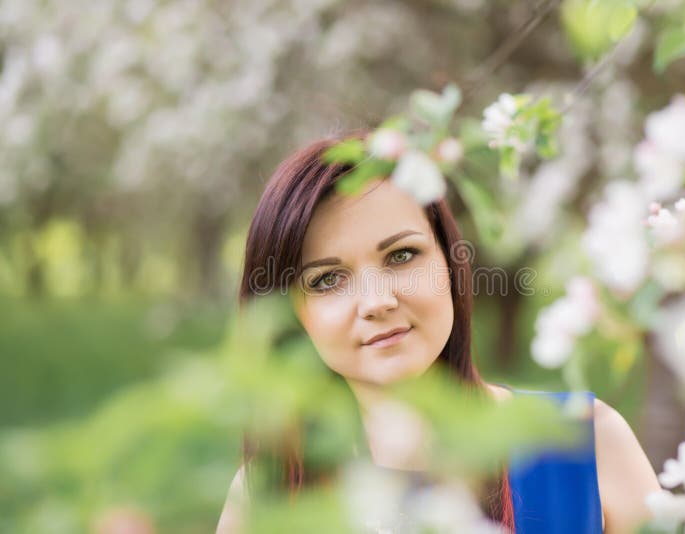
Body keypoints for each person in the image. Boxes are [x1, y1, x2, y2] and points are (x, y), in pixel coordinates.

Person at [217, 133, 660, 534]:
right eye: (328, 280)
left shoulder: (586, 442)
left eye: (402, 255)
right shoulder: (268, 492)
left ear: (449, 264)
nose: (377, 302)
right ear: (290, 314)